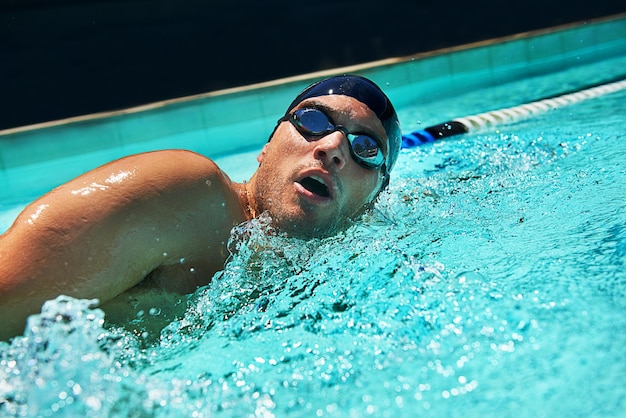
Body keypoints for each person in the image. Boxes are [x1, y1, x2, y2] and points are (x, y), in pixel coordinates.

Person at [0, 75, 402, 340]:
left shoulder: (332, 273)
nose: (332, 146)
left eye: (365, 148)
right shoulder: (189, 197)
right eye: (313, 120)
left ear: (372, 202)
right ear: (266, 148)